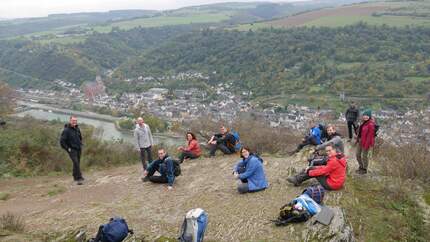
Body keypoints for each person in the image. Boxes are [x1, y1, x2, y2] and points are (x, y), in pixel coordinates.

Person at [60, 116, 84, 185]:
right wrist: (68, 148)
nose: (74, 122)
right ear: (70, 121)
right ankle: (79, 178)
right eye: (73, 120)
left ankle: (75, 176)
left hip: (78, 148)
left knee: (77, 163)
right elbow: (62, 141)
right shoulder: (66, 130)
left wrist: (80, 144)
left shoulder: (77, 128)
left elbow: (80, 137)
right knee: (76, 162)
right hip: (72, 149)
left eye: (75, 120)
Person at [355, 109, 376, 174]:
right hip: (361, 141)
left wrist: (366, 146)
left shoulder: (371, 125)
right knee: (357, 154)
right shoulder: (363, 123)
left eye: (367, 115)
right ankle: (361, 166)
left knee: (364, 156)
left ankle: (364, 169)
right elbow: (359, 132)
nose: (365, 117)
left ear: (369, 116)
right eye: (364, 115)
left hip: (366, 142)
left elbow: (370, 137)